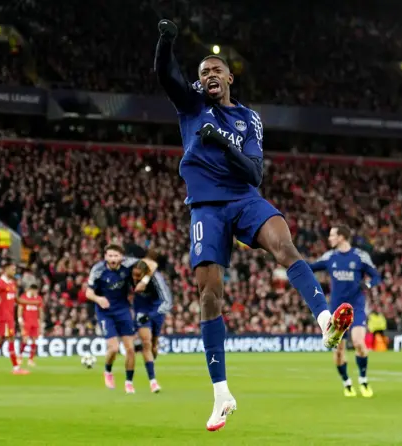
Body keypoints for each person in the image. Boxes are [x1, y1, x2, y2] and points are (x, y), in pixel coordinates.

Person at [155, 19, 351, 431]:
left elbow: (255, 174)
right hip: (206, 207)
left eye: (215, 70)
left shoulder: (248, 119)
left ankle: (325, 322)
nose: (209, 75)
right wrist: (165, 40)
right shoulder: (191, 105)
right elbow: (164, 75)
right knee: (209, 293)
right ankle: (221, 394)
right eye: (203, 72)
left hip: (244, 198)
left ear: (229, 76)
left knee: (285, 245)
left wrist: (223, 142)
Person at [308, 225, 382, 398]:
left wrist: (368, 284)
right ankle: (347, 383)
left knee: (358, 342)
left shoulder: (360, 257)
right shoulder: (330, 257)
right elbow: (310, 267)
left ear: (342, 237)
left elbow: (376, 276)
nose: (329, 238)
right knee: (339, 350)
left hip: (355, 306)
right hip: (335, 309)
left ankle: (363, 381)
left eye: (332, 235)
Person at [86, 244, 158, 393]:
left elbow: (152, 264)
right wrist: (98, 299)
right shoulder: (98, 270)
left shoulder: (128, 263)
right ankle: (107, 371)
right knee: (113, 348)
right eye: (110, 256)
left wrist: (144, 281)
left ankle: (128, 383)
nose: (113, 259)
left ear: (121, 257)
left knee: (130, 349)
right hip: (105, 311)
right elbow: (88, 293)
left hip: (123, 310)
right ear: (105, 256)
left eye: (116, 256)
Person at [132, 259, 173, 393]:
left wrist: (150, 316)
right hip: (141, 311)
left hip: (156, 311)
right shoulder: (130, 276)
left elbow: (167, 303)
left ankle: (150, 362)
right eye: (134, 275)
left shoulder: (157, 280)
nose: (135, 278)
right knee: (146, 344)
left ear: (145, 274)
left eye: (138, 276)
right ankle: (153, 382)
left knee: (154, 345)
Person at [18, 284, 44, 367]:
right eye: (34, 290)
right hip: (26, 322)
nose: (35, 292)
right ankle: (20, 356)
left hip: (35, 322)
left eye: (36, 291)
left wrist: (41, 323)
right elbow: (20, 309)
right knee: (25, 340)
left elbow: (40, 311)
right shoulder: (24, 297)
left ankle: (31, 359)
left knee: (34, 341)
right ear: (30, 290)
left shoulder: (38, 298)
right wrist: (20, 319)